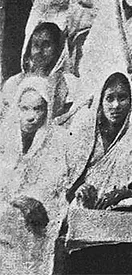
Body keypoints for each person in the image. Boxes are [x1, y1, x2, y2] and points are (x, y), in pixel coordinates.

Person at [0, 77, 69, 275]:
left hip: (43, 210)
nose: (31, 116)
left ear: (47, 110)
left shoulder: (59, 138)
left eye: (38, 109)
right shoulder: (4, 137)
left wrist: (33, 199)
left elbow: (56, 181)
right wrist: (17, 200)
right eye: (25, 109)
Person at [65, 72, 132, 210]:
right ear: (100, 101)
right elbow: (66, 185)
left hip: (118, 209)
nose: (116, 105)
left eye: (122, 98)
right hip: (84, 206)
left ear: (131, 101)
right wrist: (80, 190)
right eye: (109, 98)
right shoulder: (85, 134)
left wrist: (122, 194)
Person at [0, 22, 76, 125]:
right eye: (35, 45)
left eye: (46, 45)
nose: (39, 51)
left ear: (58, 49)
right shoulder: (14, 83)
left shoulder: (70, 83)